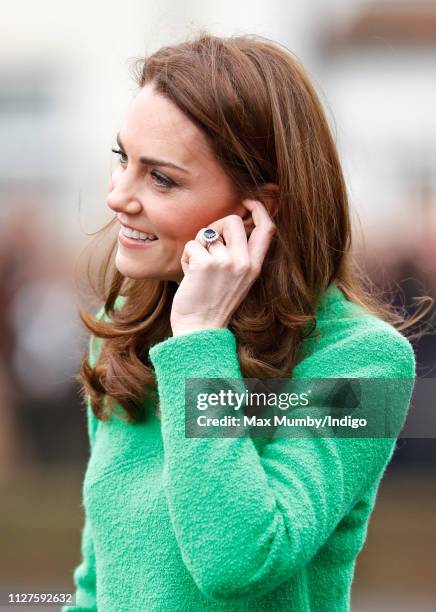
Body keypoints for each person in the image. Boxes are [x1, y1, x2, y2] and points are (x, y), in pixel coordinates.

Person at [63, 31, 429, 612]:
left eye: (161, 178)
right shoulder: (122, 329)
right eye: (121, 159)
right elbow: (97, 584)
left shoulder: (366, 361)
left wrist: (201, 342)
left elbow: (238, 561)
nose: (118, 196)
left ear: (261, 206)